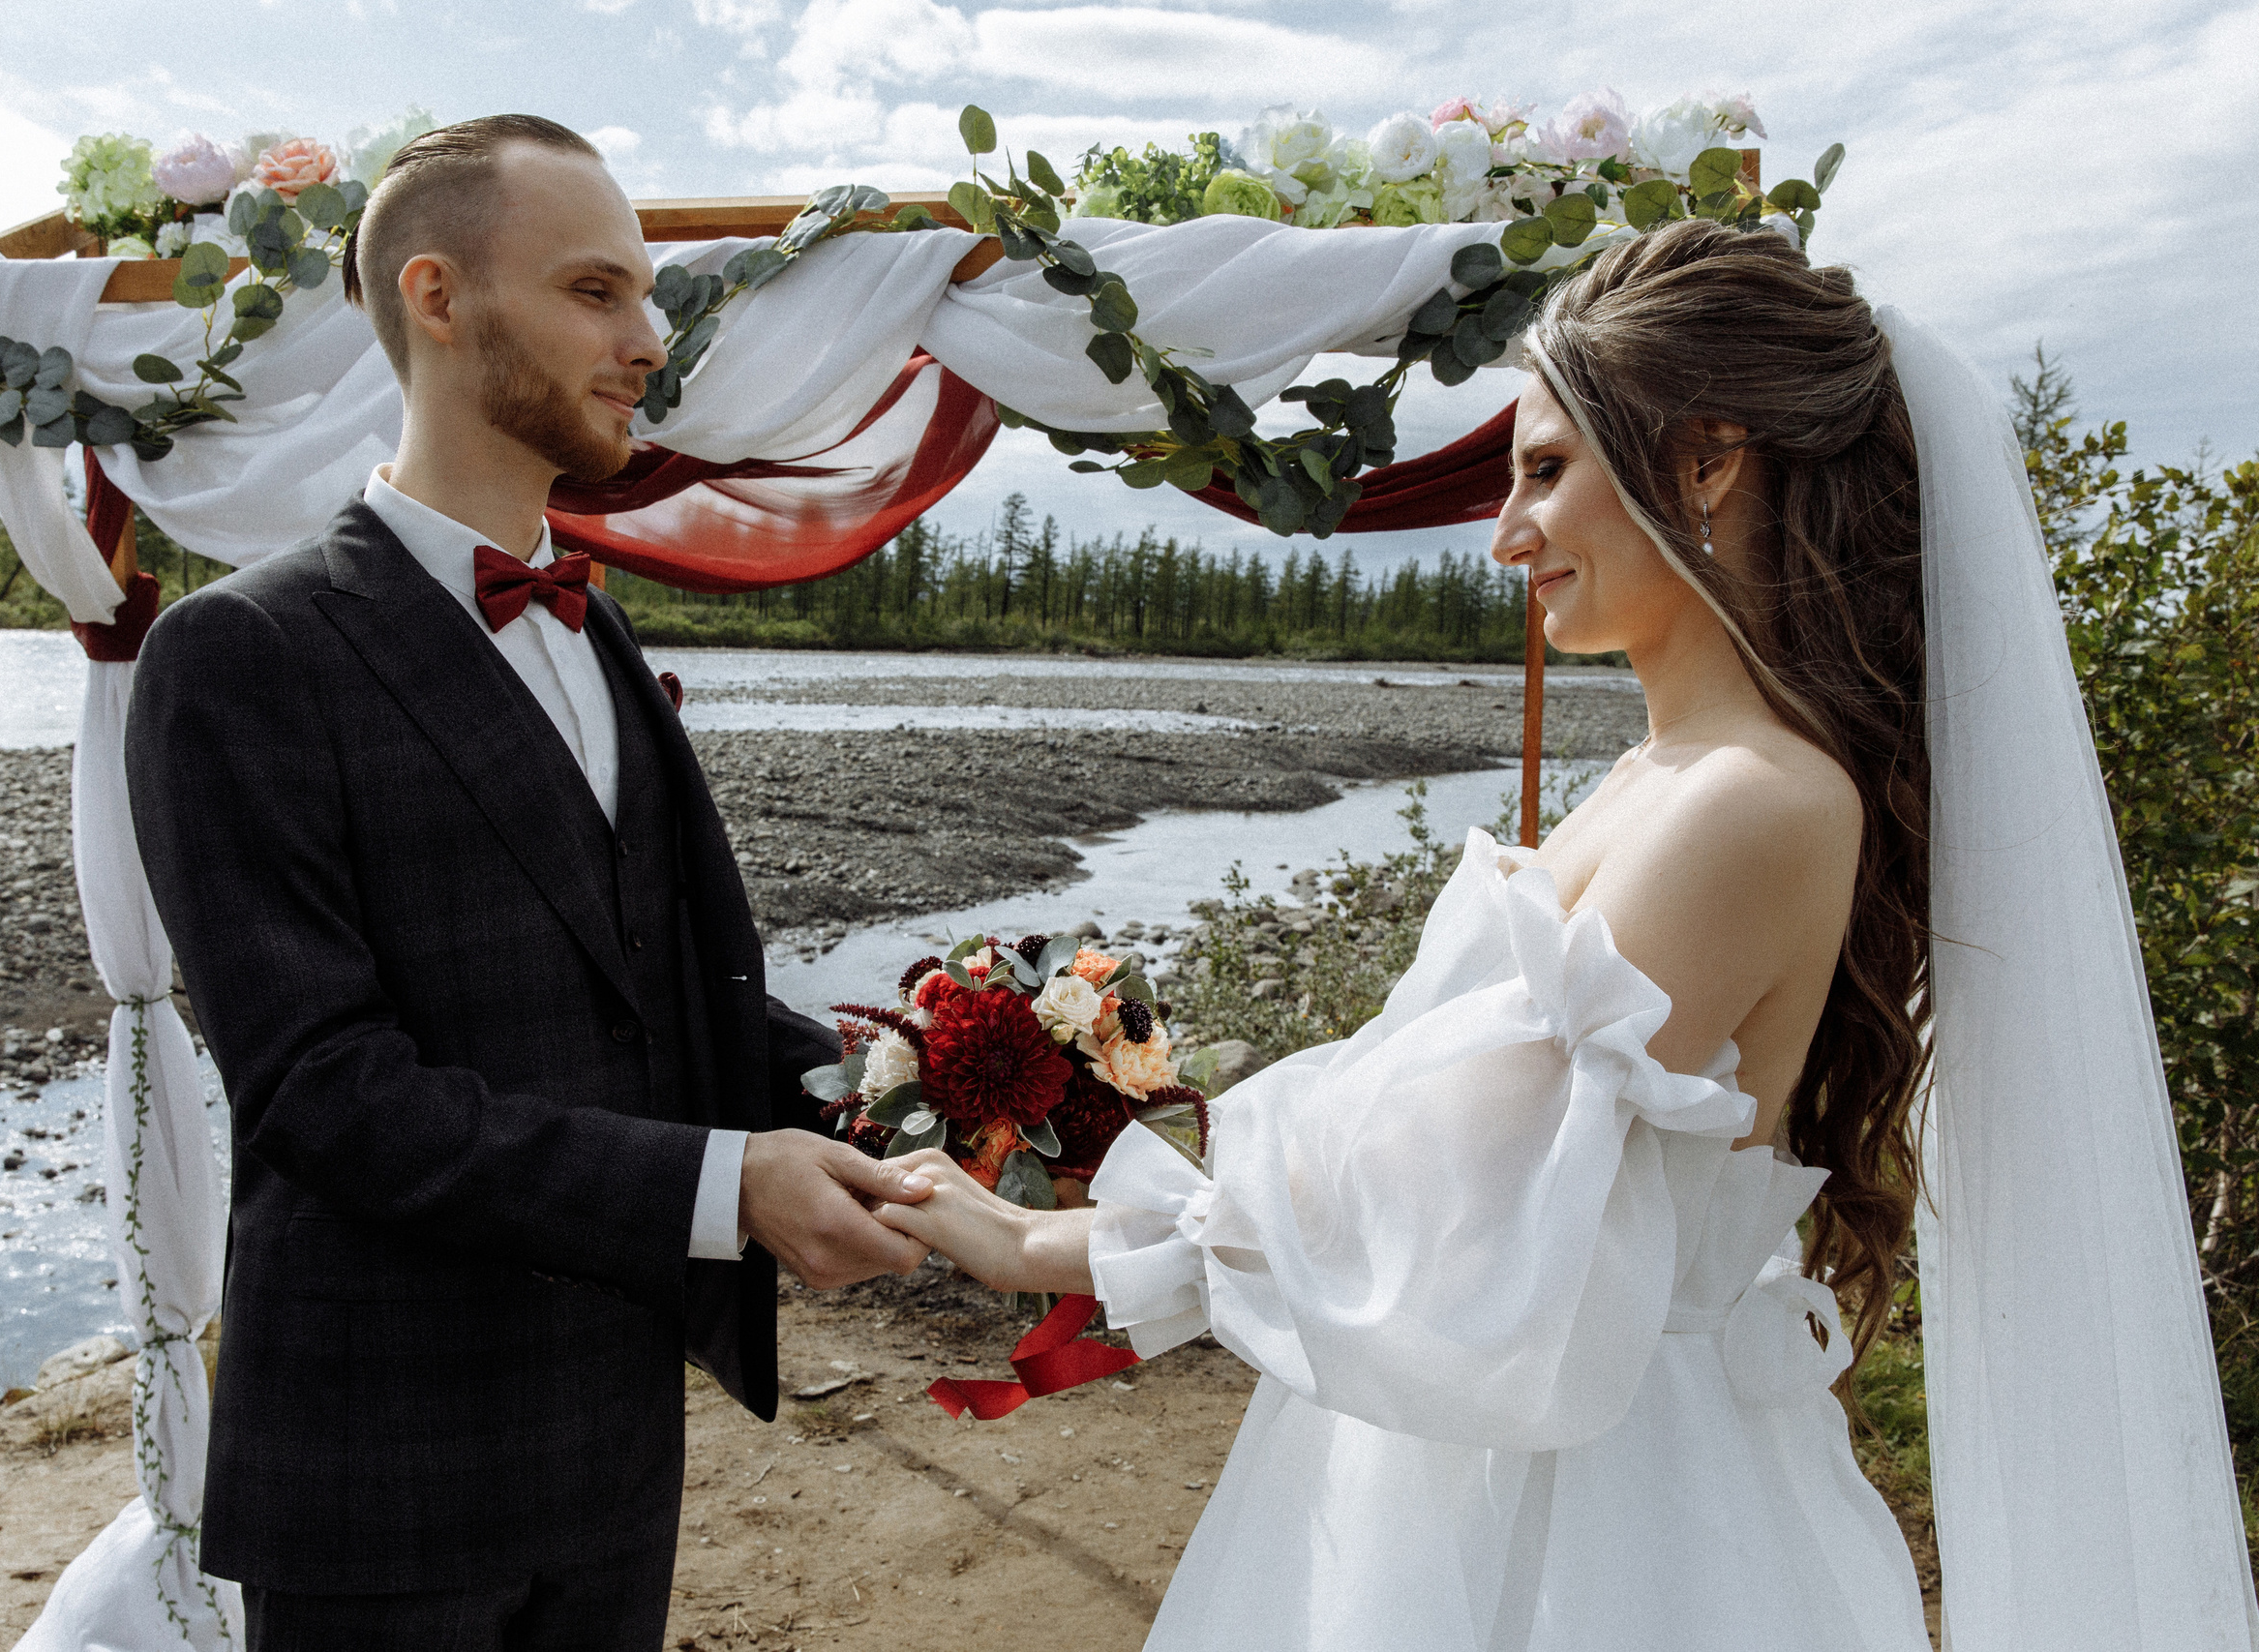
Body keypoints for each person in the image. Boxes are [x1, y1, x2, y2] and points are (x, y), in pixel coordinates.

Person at [876, 219, 2258, 1649]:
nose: (1505, 532)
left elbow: (1453, 1183)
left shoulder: (1756, 800)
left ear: (1707, 461)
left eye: (1545, 470)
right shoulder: (1655, 778)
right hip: (1489, 1432)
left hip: (1614, 1509)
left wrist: (1049, 1249)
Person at [125, 114, 933, 1651]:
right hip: (391, 1474)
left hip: (610, 1440)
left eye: (646, 297)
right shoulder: (239, 657)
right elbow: (323, 1093)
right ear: (439, 297)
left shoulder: (596, 633)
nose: (649, 340)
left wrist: (936, 1083)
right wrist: (723, 1188)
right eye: (597, 293)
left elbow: (663, 997)